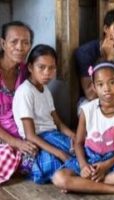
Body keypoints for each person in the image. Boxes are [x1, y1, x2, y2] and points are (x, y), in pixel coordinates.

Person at [52, 61, 114, 197]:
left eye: (112, 82)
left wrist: (106, 165)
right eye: (100, 84)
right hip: (90, 157)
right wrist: (83, 166)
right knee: (58, 178)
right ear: (94, 87)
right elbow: (78, 143)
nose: (106, 89)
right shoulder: (87, 110)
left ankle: (84, 185)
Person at [12, 44, 76, 184]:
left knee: (81, 149)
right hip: (38, 140)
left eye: (52, 68)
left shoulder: (45, 90)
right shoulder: (25, 92)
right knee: (50, 165)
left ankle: (75, 172)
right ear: (30, 67)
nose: (47, 72)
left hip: (53, 135)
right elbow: (30, 135)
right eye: (41, 67)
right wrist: (60, 153)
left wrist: (75, 136)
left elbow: (58, 123)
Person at [0, 21, 37, 184]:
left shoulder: (26, 71)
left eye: (26, 42)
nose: (20, 47)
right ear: (3, 43)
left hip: (22, 134)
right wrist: (15, 143)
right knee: (8, 153)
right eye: (14, 41)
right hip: (5, 137)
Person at [76, 8, 114, 104]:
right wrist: (109, 60)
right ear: (106, 28)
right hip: (91, 101)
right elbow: (91, 94)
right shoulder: (85, 52)